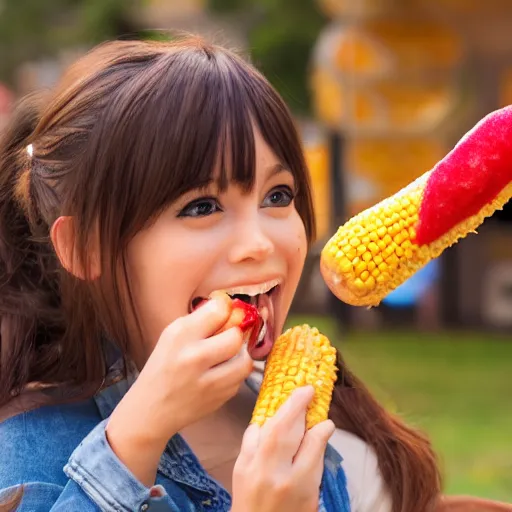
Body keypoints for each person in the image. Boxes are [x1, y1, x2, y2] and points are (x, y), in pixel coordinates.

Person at [0, 35, 441, 512]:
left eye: (278, 196)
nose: (259, 243)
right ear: (87, 247)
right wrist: (135, 439)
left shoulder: (339, 430)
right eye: (202, 206)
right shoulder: (28, 461)